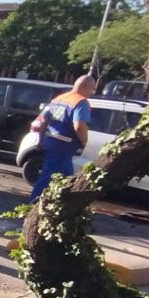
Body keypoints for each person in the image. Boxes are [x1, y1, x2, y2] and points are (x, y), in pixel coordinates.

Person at [28, 74, 95, 202]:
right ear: (87, 87)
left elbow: (44, 120)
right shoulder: (81, 102)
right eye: (93, 88)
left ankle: (58, 205)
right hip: (63, 145)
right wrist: (84, 140)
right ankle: (32, 205)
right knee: (48, 177)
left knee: (66, 177)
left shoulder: (59, 98)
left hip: (51, 141)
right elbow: (79, 125)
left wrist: (41, 140)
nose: (92, 92)